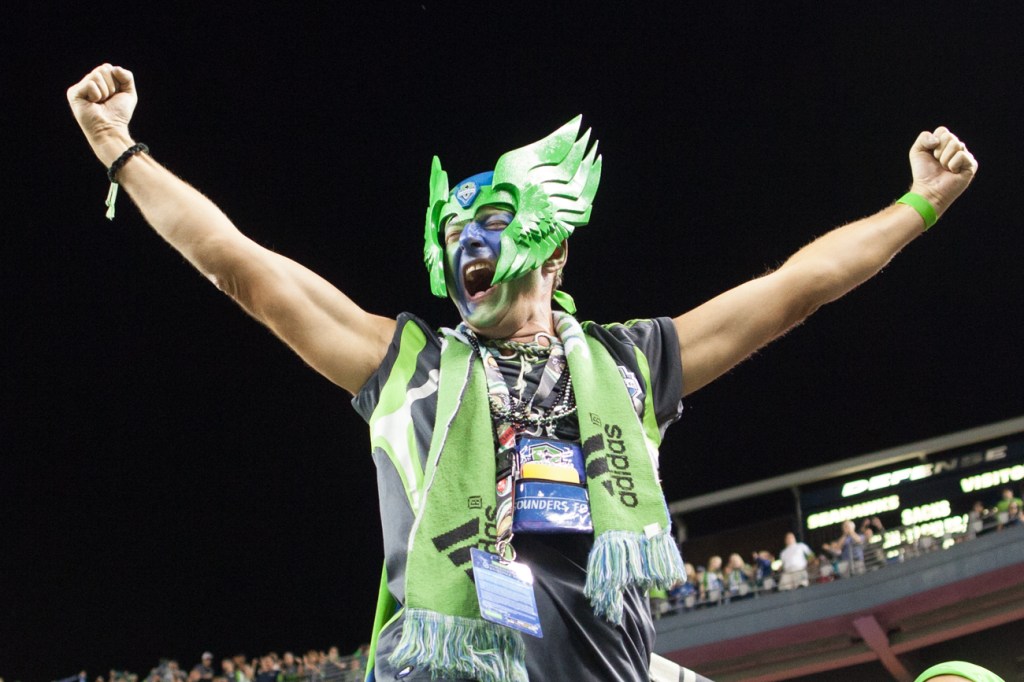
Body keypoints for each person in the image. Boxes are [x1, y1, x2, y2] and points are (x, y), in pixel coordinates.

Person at [67, 64, 977, 682]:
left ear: (553, 250)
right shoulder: (408, 364)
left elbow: (795, 290)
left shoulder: (632, 362)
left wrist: (918, 203)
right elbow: (240, 265)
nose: (467, 237)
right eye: (452, 228)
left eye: (491, 218)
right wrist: (120, 148)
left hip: (602, 664)